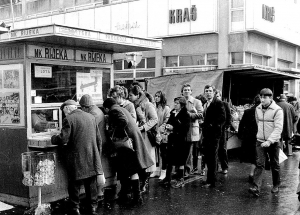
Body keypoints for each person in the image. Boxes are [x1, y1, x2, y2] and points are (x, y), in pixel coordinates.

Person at [51, 100, 103, 215]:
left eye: (65, 112)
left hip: (76, 157)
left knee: (74, 184)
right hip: (91, 156)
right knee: (91, 183)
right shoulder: (91, 117)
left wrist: (53, 138)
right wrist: (97, 155)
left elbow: (63, 139)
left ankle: (75, 209)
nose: (65, 114)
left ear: (67, 109)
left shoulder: (69, 119)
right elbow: (98, 139)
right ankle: (92, 208)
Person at [103, 98, 154, 207]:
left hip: (126, 144)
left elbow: (123, 121)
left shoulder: (113, 111)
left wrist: (114, 131)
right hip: (132, 142)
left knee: (131, 170)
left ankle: (136, 198)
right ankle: (133, 197)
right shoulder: (121, 108)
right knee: (131, 170)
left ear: (107, 108)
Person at [248, 88, 283, 197]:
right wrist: (261, 137)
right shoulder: (257, 108)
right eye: (261, 97)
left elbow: (278, 128)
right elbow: (258, 122)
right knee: (259, 164)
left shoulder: (278, 110)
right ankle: (256, 187)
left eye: (264, 97)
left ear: (271, 98)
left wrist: (269, 141)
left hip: (273, 142)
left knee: (275, 164)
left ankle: (276, 185)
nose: (262, 100)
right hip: (260, 141)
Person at [128, 85, 158, 192]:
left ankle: (144, 183)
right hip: (140, 136)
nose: (129, 97)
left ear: (137, 95)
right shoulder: (134, 105)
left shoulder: (147, 104)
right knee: (141, 159)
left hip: (147, 136)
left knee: (146, 159)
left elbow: (154, 119)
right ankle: (142, 183)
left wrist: (143, 127)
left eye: (131, 95)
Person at [79, 94, 107, 203]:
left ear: (86, 106)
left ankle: (99, 193)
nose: (81, 110)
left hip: (96, 143)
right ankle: (99, 193)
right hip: (98, 142)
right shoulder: (97, 110)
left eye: (82, 107)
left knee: (96, 169)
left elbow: (87, 127)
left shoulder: (93, 114)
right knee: (97, 168)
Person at [159, 96, 190, 188]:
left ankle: (180, 179)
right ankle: (167, 178)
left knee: (180, 161)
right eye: (174, 103)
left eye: (177, 103)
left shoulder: (185, 115)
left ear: (182, 105)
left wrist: (174, 128)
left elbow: (185, 129)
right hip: (171, 139)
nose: (175, 105)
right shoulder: (173, 112)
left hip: (180, 141)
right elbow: (169, 122)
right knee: (169, 159)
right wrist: (167, 126)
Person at [201, 85, 226, 188]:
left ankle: (211, 181)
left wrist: (212, 125)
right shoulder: (206, 103)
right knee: (208, 157)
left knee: (212, 157)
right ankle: (210, 179)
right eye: (206, 91)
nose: (208, 93)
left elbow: (222, 117)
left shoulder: (218, 103)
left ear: (214, 92)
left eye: (210, 91)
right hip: (207, 134)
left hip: (214, 134)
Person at [181, 83, 203, 176]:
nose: (187, 91)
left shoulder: (196, 102)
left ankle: (187, 170)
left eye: (188, 90)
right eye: (185, 90)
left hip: (191, 128)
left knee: (189, 150)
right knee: (182, 149)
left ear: (191, 91)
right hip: (182, 128)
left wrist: (189, 115)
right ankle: (181, 169)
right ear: (182, 92)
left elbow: (201, 114)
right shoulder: (180, 101)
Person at [238, 95, 260, 183]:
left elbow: (241, 124)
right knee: (257, 156)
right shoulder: (263, 112)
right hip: (259, 137)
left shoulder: (247, 111)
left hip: (249, 137)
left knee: (254, 156)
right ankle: (252, 174)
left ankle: (253, 173)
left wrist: (240, 135)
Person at [154, 90, 171, 180]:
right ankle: (156, 170)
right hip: (155, 133)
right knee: (156, 152)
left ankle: (163, 171)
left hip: (163, 134)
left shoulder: (166, 108)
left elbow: (166, 120)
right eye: (155, 96)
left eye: (158, 96)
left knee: (163, 153)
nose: (156, 98)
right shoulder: (154, 107)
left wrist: (159, 130)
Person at [215, 90, 232, 174]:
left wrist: (226, 127)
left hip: (222, 130)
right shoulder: (212, 105)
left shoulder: (225, 105)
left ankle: (224, 167)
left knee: (222, 149)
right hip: (214, 130)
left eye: (218, 96)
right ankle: (215, 167)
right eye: (216, 96)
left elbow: (229, 117)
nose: (216, 98)